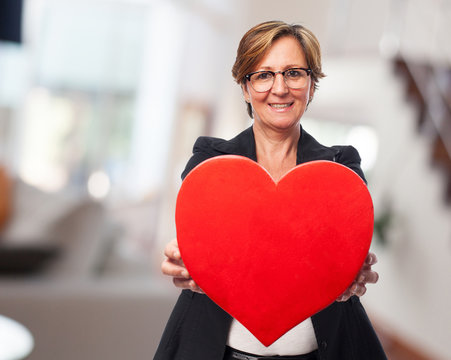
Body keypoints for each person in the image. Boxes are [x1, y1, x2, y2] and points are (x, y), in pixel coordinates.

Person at [154, 20, 387, 360]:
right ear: (245, 88)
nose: (280, 88)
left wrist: (351, 273)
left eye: (294, 73)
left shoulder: (341, 168)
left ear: (311, 84)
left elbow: (345, 252)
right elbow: (198, 240)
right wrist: (186, 264)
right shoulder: (210, 161)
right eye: (263, 75)